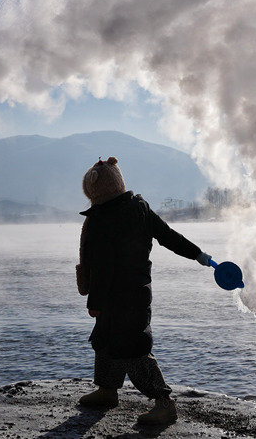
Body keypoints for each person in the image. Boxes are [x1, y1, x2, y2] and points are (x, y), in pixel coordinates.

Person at [75, 156, 213, 425]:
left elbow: (103, 267)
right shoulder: (139, 207)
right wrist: (198, 255)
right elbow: (168, 236)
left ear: (94, 190)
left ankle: (164, 402)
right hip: (138, 291)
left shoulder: (103, 219)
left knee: (132, 349)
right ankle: (107, 390)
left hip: (117, 295)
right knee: (105, 338)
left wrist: (95, 300)